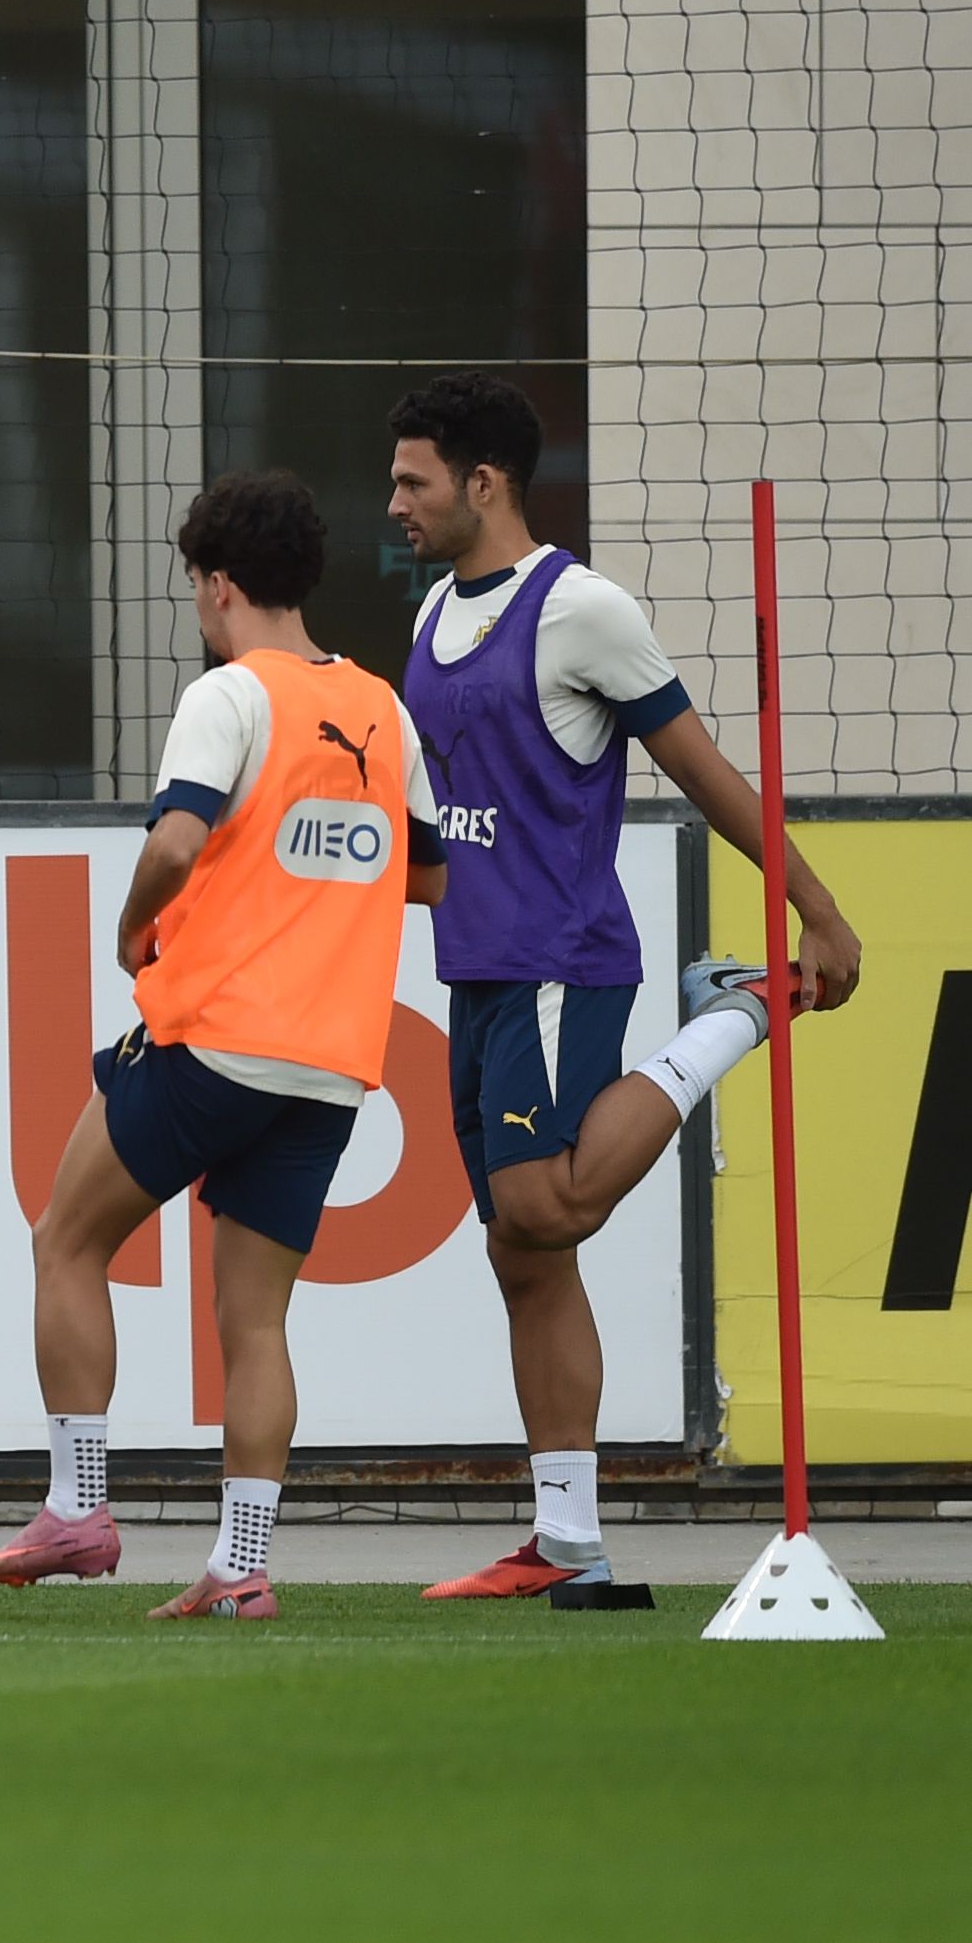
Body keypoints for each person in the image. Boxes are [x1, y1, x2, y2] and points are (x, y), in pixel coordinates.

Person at [384, 372, 865, 1607]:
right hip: (475, 973)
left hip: (562, 957)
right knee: (516, 1252)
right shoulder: (433, 611)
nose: (393, 502)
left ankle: (736, 1014)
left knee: (545, 1209)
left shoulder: (582, 608)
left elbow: (700, 769)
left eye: (411, 479)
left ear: (480, 483)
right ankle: (566, 1543)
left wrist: (811, 908)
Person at [0, 471, 442, 1620]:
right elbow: (426, 874)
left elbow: (178, 841)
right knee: (255, 1320)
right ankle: (240, 1566)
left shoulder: (229, 696)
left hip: (216, 1035)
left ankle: (78, 1506)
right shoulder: (382, 708)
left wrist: (134, 923)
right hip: (331, 1061)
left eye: (193, 588)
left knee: (64, 1240)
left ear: (219, 584)